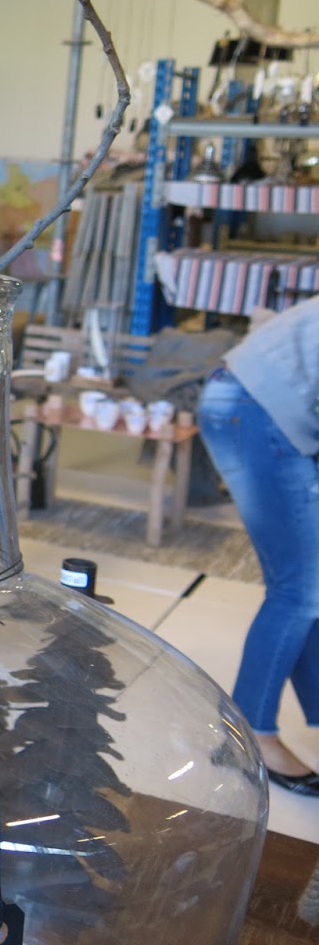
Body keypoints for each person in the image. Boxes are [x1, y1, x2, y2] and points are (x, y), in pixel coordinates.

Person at [198, 294, 319, 792]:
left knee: (307, 583)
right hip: (257, 409)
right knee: (301, 589)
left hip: (249, 400)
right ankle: (249, 737)